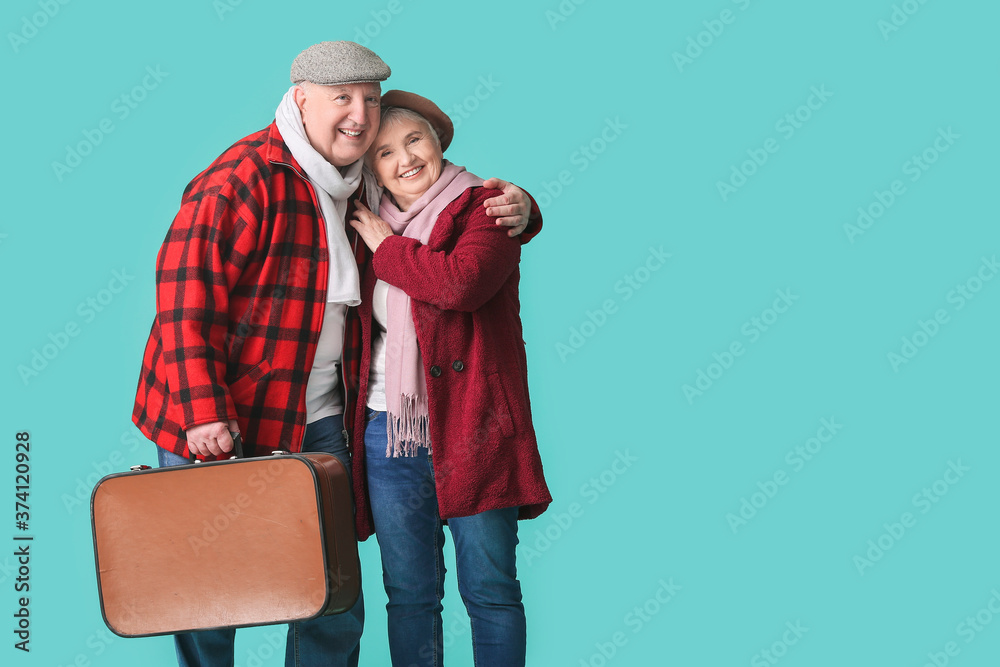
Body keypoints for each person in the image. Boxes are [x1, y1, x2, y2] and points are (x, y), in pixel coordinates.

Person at [131, 42, 539, 667]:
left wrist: (524, 209)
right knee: (208, 594)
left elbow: (454, 246)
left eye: (370, 101)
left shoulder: (358, 193)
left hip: (323, 414)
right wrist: (203, 410)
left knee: (333, 595)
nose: (359, 114)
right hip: (222, 413)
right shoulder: (244, 177)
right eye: (341, 98)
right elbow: (184, 300)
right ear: (299, 100)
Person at [348, 90, 551, 667]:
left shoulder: (485, 207)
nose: (404, 158)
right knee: (410, 596)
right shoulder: (360, 219)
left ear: (438, 142)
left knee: (490, 591)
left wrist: (387, 250)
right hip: (391, 430)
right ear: (372, 168)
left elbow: (461, 285)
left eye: (414, 140)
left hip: (474, 421)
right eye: (384, 152)